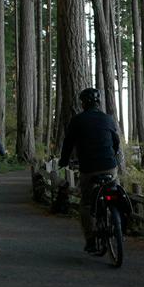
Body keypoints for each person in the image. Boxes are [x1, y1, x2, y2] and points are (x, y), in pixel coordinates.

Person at [58, 88, 121, 253]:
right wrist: (112, 155)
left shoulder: (77, 120)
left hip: (89, 168)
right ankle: (118, 222)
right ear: (98, 102)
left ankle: (91, 240)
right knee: (115, 191)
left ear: (83, 103)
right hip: (109, 165)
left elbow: (68, 143)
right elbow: (116, 142)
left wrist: (63, 161)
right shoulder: (108, 119)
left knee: (86, 204)